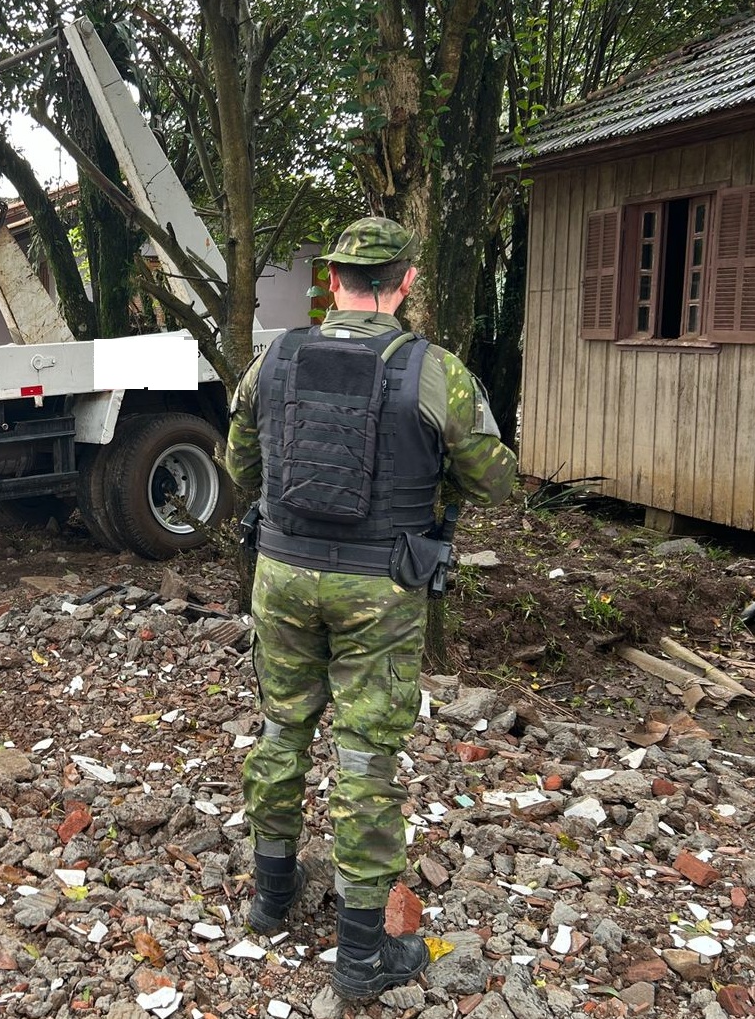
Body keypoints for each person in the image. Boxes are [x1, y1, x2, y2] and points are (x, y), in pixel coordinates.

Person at [224, 216, 517, 1001]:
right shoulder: (433, 371)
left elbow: (237, 460)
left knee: (282, 727)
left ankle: (269, 901)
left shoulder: (276, 356)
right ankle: (360, 956)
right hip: (379, 586)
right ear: (406, 282)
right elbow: (495, 480)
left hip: (281, 573)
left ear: (334, 281)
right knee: (363, 755)